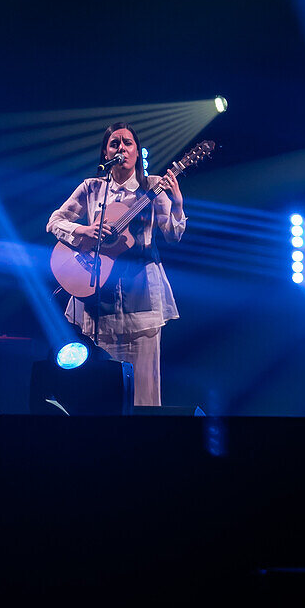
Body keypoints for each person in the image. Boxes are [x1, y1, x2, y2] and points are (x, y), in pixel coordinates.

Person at [46, 122, 186, 407]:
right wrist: (84, 231)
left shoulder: (153, 187)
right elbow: (54, 222)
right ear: (106, 153)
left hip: (142, 296)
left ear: (137, 152)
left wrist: (178, 204)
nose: (121, 148)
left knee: (144, 392)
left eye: (127, 143)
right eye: (114, 144)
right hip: (98, 297)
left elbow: (173, 235)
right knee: (102, 392)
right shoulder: (92, 188)